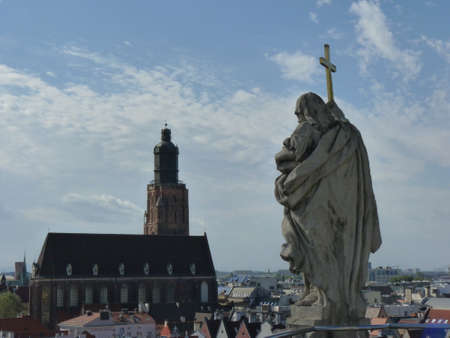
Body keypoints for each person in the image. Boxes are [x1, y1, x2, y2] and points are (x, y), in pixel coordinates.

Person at [275, 92, 381, 324]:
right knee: (339, 251)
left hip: (316, 205)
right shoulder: (350, 134)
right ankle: (332, 297)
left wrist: (288, 148)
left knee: (313, 246)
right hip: (346, 206)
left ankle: (321, 295)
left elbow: (288, 158)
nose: (298, 118)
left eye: (299, 113)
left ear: (306, 112)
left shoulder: (308, 130)